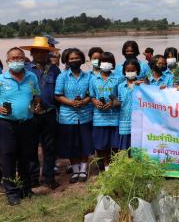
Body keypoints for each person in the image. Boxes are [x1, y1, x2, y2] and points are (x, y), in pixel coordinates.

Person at [0, 47, 41, 205]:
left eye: (20, 58)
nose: (17, 60)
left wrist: (37, 105)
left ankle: (26, 188)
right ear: (7, 60)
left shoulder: (31, 77)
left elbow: (36, 94)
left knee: (27, 156)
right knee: (8, 156)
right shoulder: (1, 79)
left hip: (28, 122)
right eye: (14, 58)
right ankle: (12, 192)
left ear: (24, 60)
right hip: (6, 124)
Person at [21, 37, 61, 190]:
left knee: (50, 147)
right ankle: (33, 178)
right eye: (37, 52)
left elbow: (58, 91)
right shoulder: (25, 70)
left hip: (50, 113)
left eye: (44, 52)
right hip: (31, 113)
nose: (41, 55)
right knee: (31, 147)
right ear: (32, 53)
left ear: (48, 53)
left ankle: (49, 178)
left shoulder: (54, 69)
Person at [54, 48, 93, 184]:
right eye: (71, 59)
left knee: (84, 143)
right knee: (71, 144)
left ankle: (83, 169)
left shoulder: (89, 76)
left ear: (81, 59)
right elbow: (58, 95)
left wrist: (84, 101)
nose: (74, 60)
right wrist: (70, 102)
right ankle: (75, 170)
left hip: (85, 115)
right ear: (66, 61)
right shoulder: (62, 76)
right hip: (67, 116)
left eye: (77, 58)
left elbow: (91, 95)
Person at [89, 52, 121, 171]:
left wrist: (113, 103)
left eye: (109, 62)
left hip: (114, 117)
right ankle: (107, 167)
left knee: (115, 145)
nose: (106, 64)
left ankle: (115, 166)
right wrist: (95, 102)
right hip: (99, 117)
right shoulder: (93, 79)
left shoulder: (118, 78)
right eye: (103, 62)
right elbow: (92, 96)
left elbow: (120, 96)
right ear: (99, 64)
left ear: (112, 64)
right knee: (102, 145)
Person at [118, 59, 143, 151]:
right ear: (124, 71)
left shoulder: (142, 85)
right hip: (124, 119)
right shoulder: (120, 86)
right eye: (128, 71)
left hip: (139, 120)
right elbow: (119, 101)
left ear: (137, 71)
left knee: (137, 147)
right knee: (125, 148)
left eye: (133, 70)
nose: (130, 72)